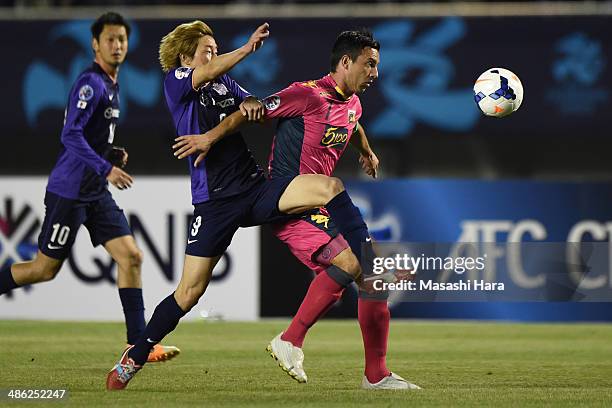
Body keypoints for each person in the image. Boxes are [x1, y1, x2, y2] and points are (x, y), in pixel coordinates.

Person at [106, 20, 376, 391]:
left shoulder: (223, 82)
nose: (214, 55)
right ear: (186, 55)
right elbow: (211, 72)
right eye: (207, 49)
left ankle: (366, 256)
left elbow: (251, 104)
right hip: (214, 202)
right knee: (189, 293)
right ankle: (134, 356)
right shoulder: (176, 80)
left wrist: (250, 103)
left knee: (329, 187)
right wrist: (246, 50)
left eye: (216, 48)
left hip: (254, 189)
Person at [172, 29, 420, 390]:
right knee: (358, 264)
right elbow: (250, 111)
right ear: (346, 62)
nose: (375, 74)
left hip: (317, 202)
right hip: (288, 198)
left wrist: (364, 149)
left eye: (376, 66)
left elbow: (351, 124)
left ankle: (376, 375)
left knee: (371, 280)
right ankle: (291, 339)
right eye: (369, 64)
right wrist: (210, 136)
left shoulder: (353, 104)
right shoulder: (305, 94)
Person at [0, 12, 179, 362]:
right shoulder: (90, 83)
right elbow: (69, 134)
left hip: (95, 190)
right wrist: (106, 166)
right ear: (95, 44)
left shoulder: (111, 83)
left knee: (131, 256)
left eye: (122, 40)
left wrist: (108, 153)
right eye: (110, 39)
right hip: (70, 191)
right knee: (43, 269)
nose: (117, 45)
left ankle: (137, 344)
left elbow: (86, 135)